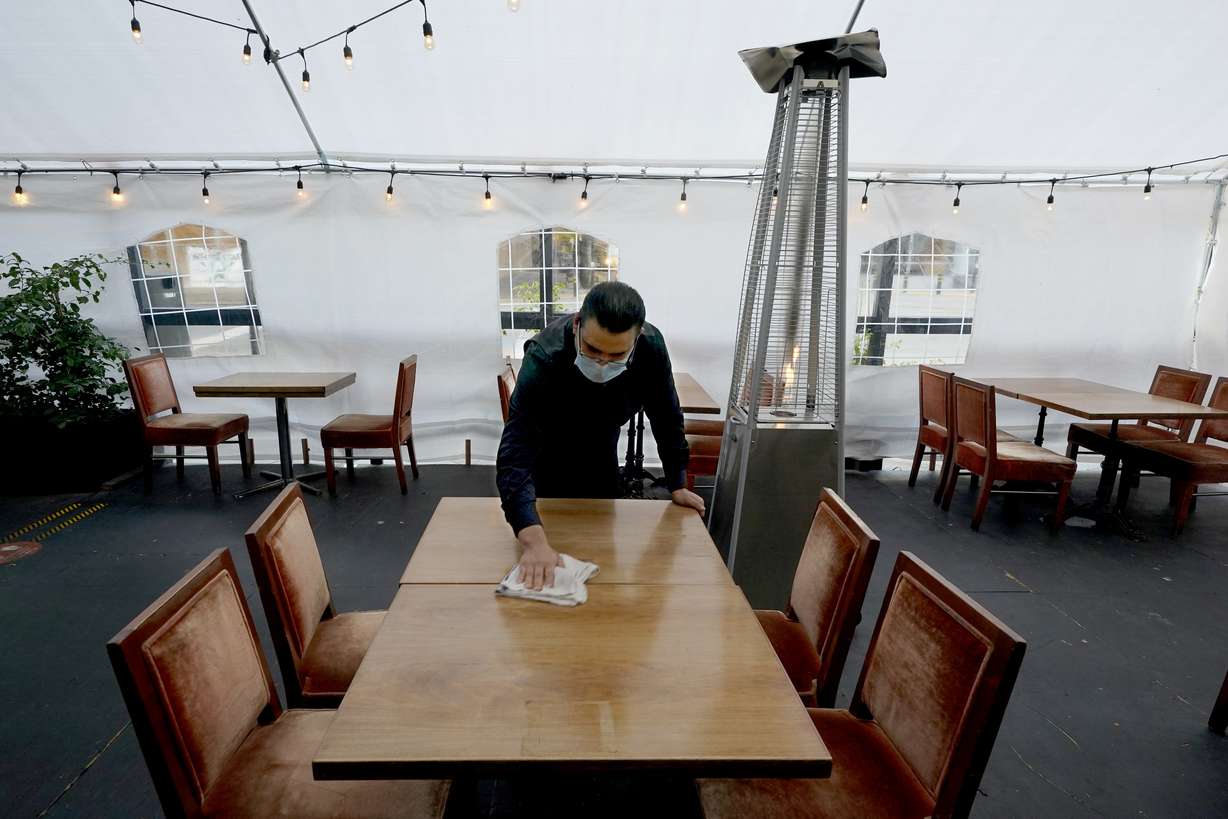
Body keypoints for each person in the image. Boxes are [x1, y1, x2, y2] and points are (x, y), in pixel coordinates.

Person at [497, 281, 706, 590]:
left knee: (603, 566)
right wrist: (532, 538)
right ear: (577, 325)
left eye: (617, 354)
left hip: (603, 451)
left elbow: (667, 416)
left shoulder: (651, 349)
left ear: (637, 339)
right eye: (592, 349)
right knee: (543, 565)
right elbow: (516, 452)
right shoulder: (545, 356)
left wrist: (677, 483)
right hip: (548, 454)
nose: (602, 362)